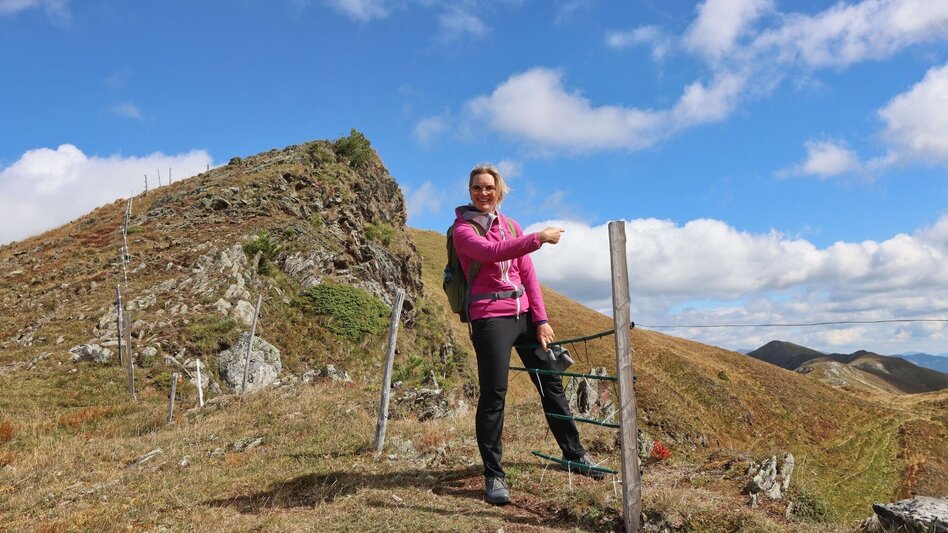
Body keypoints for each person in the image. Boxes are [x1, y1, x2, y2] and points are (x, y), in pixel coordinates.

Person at [451, 163, 603, 506]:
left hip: (524, 317)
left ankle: (575, 455)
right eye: (477, 187)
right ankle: (494, 475)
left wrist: (541, 319)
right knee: (494, 394)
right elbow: (491, 254)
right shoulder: (462, 230)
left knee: (550, 382)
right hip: (490, 317)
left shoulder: (510, 226)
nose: (483, 193)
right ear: (470, 191)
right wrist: (537, 238)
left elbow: (527, 274)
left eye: (489, 187)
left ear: (499, 190)